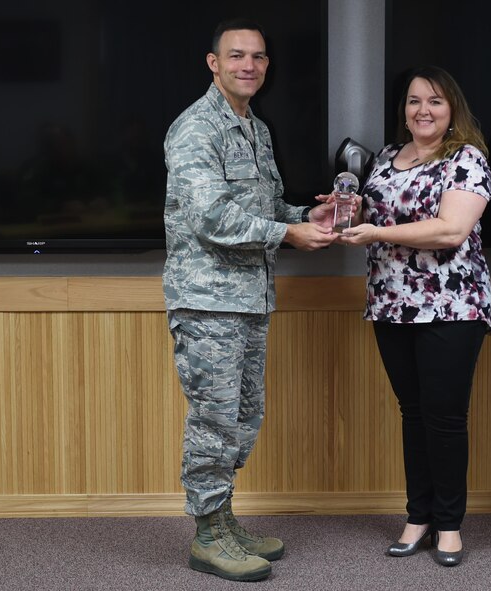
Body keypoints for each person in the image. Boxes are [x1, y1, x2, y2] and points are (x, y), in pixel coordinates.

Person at [163, 18, 337, 582]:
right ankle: (208, 534)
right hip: (208, 301)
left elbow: (263, 206)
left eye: (258, 57)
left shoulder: (254, 130)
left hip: (249, 299)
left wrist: (305, 216)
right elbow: (210, 216)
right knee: (214, 420)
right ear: (213, 63)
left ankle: (225, 518)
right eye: (236, 56)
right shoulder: (197, 129)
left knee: (242, 417)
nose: (249, 66)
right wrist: (288, 235)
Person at [337, 66, 491, 567]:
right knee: (413, 414)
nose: (422, 110)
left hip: (451, 306)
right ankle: (418, 517)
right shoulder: (385, 159)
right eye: (413, 101)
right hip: (392, 304)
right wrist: (349, 215)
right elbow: (376, 219)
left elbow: (450, 230)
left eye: (435, 102)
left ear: (453, 112)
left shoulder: (467, 159)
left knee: (445, 419)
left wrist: (377, 235)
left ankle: (449, 526)